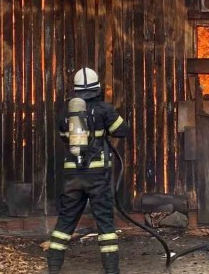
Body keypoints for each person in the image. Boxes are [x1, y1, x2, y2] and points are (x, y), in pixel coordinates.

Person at [47, 67, 130, 274]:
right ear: (96, 88)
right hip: (97, 176)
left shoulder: (66, 112)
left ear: (75, 90)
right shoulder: (104, 109)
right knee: (105, 222)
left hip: (73, 175)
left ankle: (54, 267)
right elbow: (122, 131)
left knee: (66, 219)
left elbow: (64, 137)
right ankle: (111, 270)